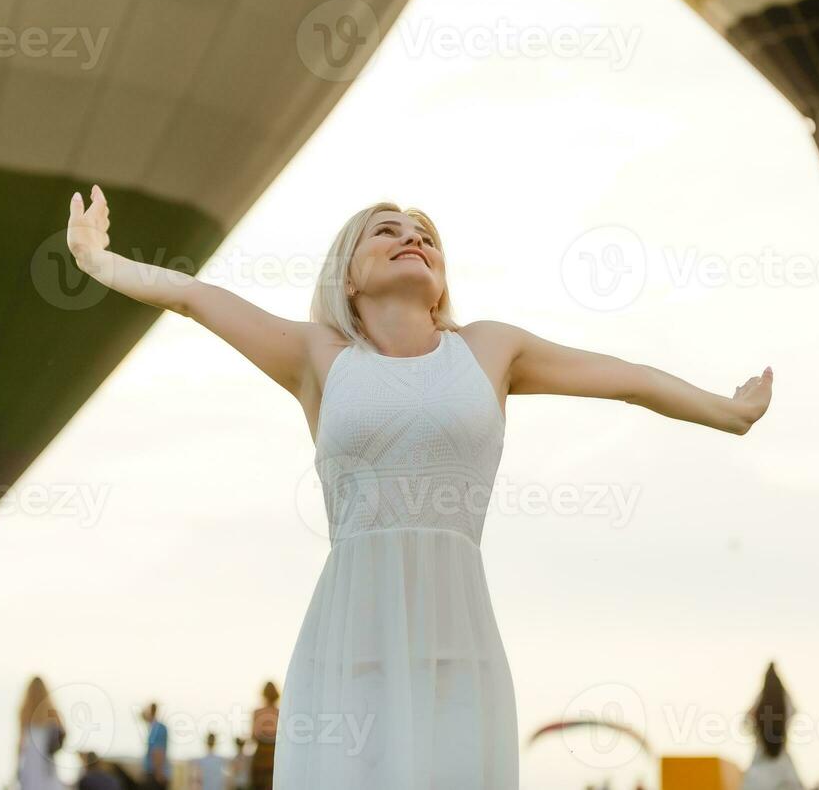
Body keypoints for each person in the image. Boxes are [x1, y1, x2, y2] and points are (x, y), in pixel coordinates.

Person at [64, 190, 773, 787]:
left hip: (456, 648)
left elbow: (628, 378)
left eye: (426, 236)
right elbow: (194, 296)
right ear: (348, 275)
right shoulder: (318, 356)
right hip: (350, 650)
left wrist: (727, 411)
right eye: (389, 232)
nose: (413, 240)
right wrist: (99, 262)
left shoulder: (490, 349)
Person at [740, 663, 803, 790]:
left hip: (760, 764)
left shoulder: (761, 699)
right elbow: (794, 711)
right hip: (783, 764)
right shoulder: (785, 699)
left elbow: (744, 723)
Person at [17, 677, 65, 790]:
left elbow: (21, 742)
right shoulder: (51, 710)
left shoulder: (25, 711)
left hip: (31, 760)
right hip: (46, 759)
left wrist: (17, 764)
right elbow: (62, 732)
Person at [248, 683, 278, 790]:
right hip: (274, 756)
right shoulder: (280, 712)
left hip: (260, 755)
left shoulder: (257, 712)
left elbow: (253, 737)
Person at [140, 703, 169, 790]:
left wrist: (158, 773)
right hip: (153, 774)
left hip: (155, 775)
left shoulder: (158, 728)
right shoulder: (153, 728)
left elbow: (158, 751)